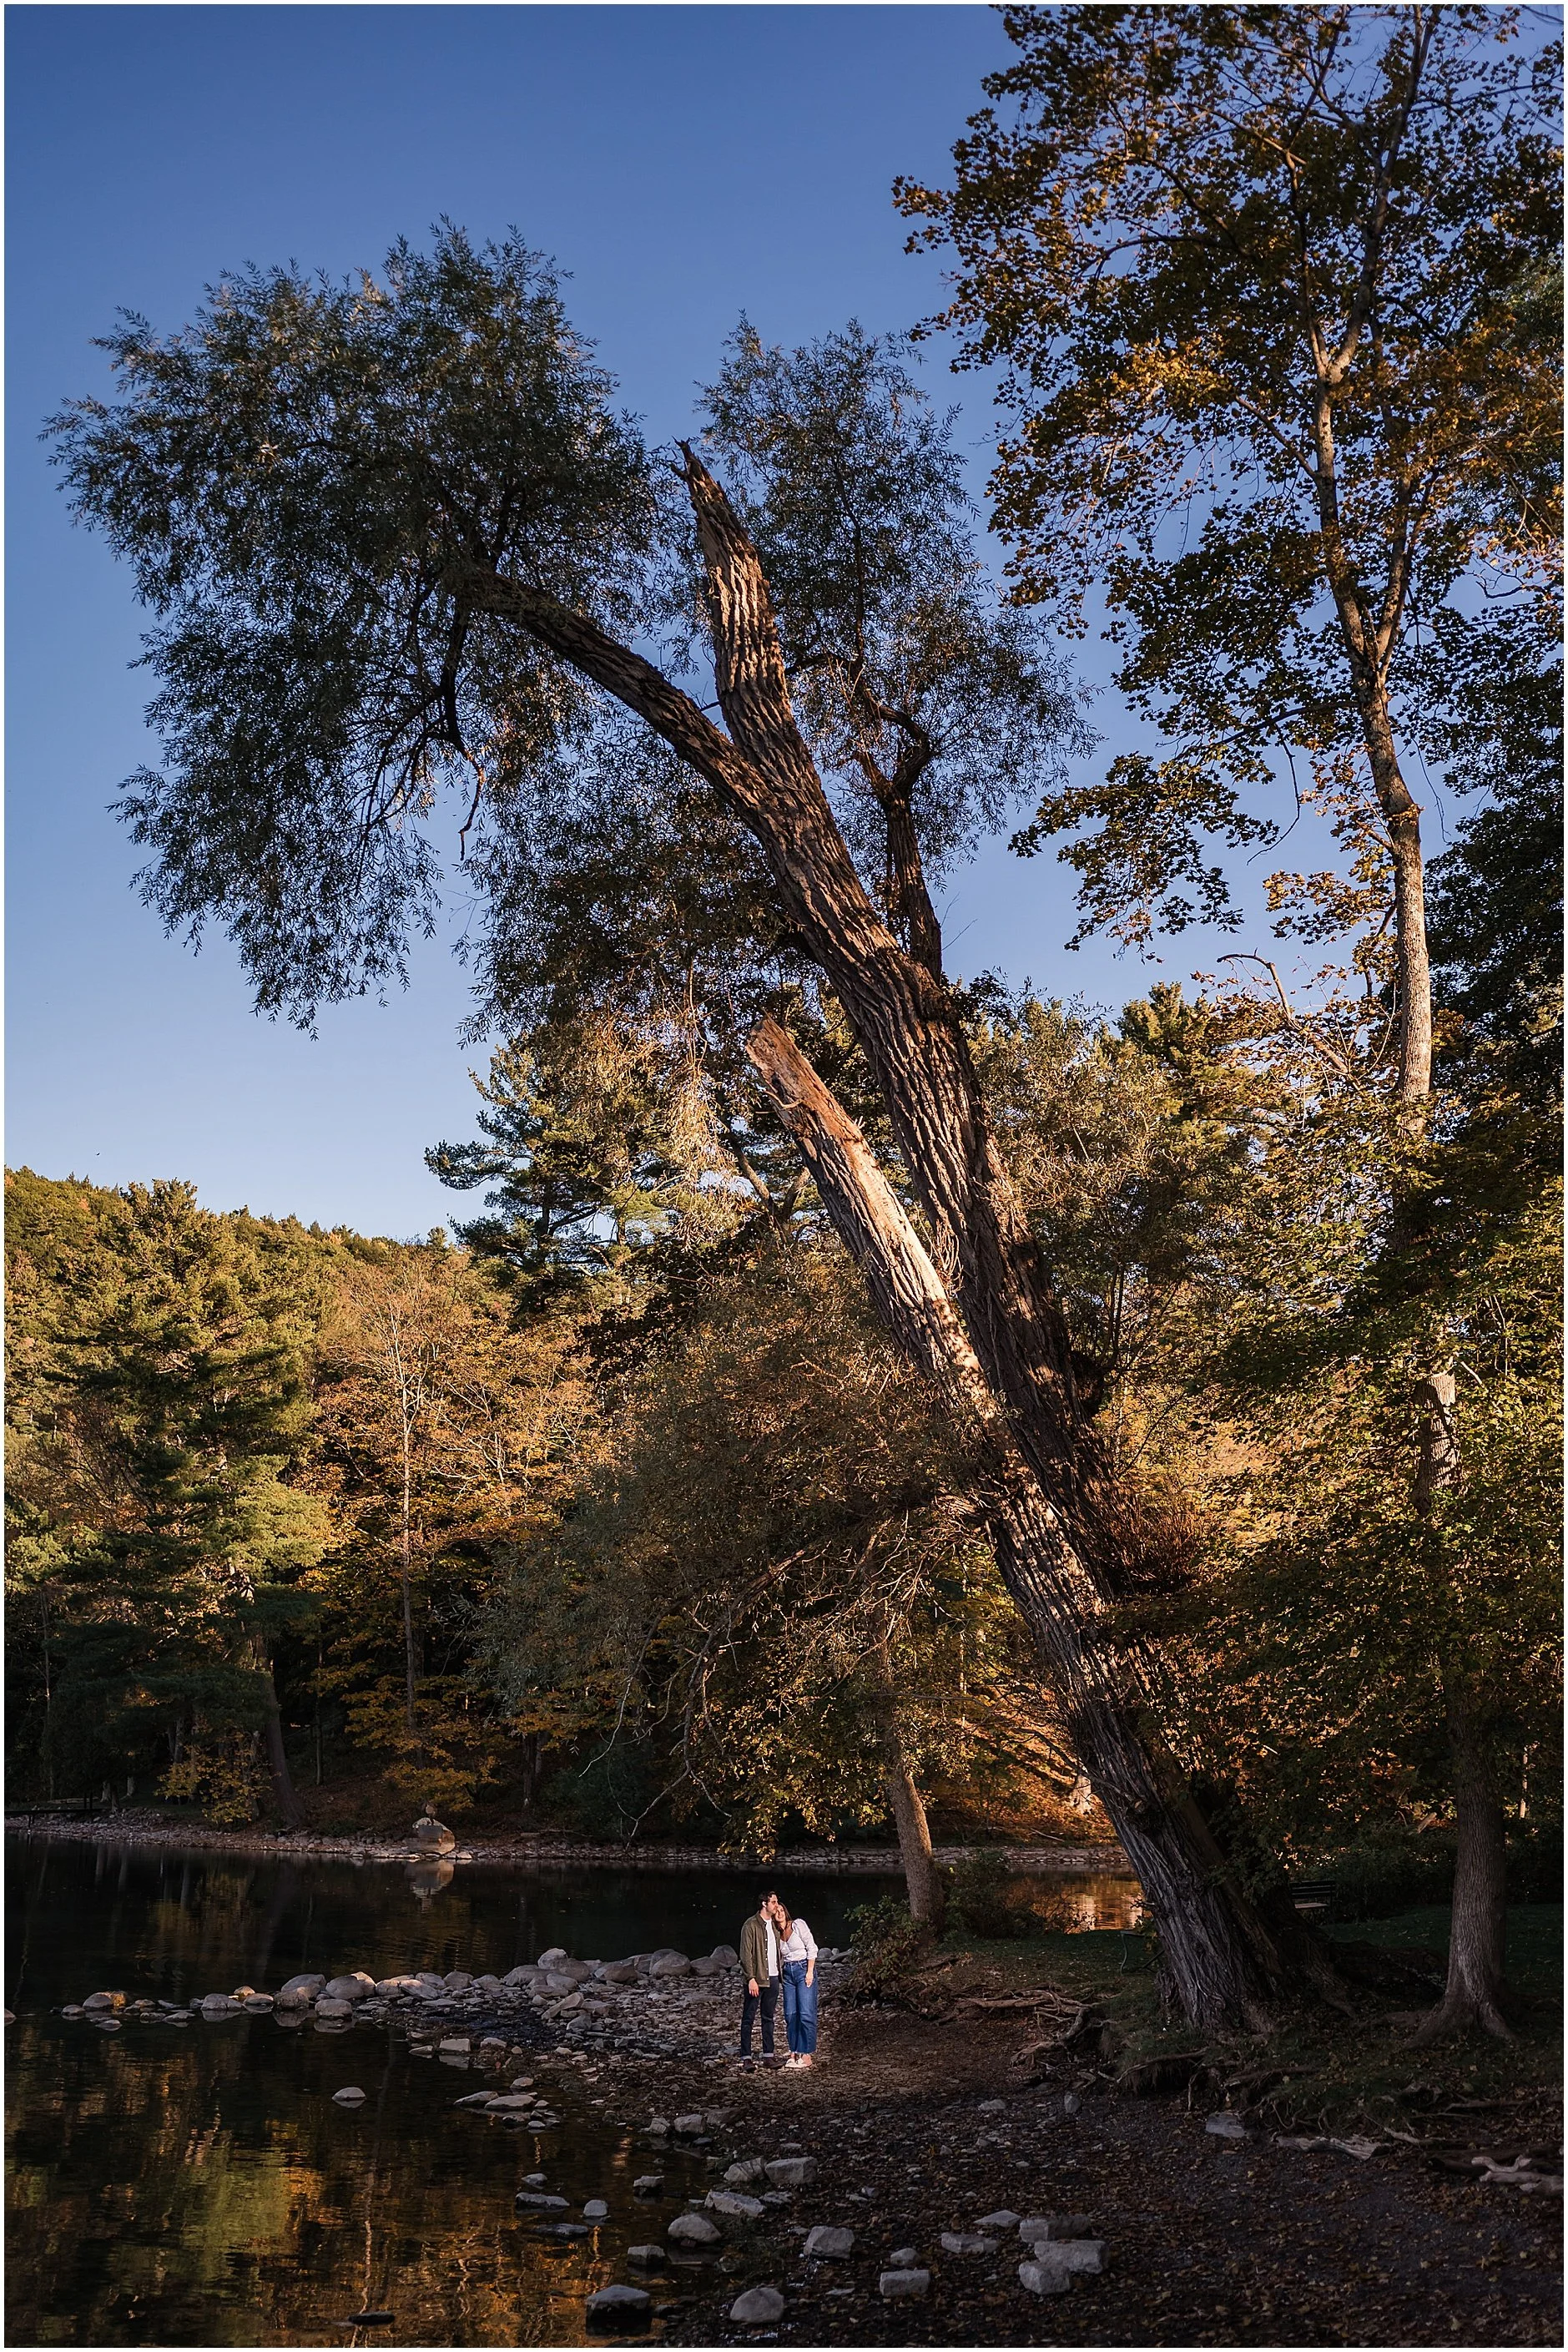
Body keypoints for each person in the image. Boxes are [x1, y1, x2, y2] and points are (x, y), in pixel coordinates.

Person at [770, 1893, 819, 2069]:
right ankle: (794, 2051)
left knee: (806, 2013)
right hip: (788, 1974)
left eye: (782, 1910)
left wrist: (810, 1971)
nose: (780, 1913)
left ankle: (806, 2054)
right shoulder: (776, 1934)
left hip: (803, 1968)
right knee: (791, 2014)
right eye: (777, 1912)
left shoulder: (798, 1925)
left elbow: (812, 1947)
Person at [738, 1890, 779, 2063]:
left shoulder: (776, 1925)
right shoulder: (751, 1925)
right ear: (764, 1904)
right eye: (774, 1902)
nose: (777, 1905)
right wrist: (751, 1978)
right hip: (758, 1978)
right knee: (749, 2017)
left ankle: (768, 2055)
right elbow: (746, 1954)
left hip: (774, 1977)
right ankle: (746, 2056)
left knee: (768, 2017)